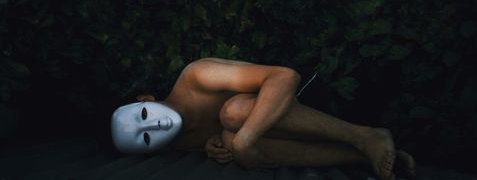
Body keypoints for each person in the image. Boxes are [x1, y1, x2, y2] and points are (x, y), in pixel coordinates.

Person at [111, 57, 416, 180]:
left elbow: (285, 76)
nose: (156, 125)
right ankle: (360, 155)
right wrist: (217, 146)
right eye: (146, 137)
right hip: (299, 133)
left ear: (145, 99)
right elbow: (228, 140)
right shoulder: (180, 143)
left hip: (314, 96)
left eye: (144, 115)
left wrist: (246, 139)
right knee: (231, 138)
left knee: (235, 115)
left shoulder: (197, 77)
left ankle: (364, 136)